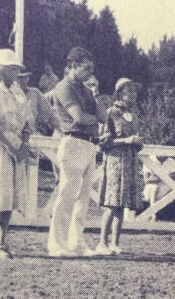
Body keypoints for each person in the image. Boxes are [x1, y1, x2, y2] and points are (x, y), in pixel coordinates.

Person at [47, 47, 107, 257]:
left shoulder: (86, 89)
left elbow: (103, 117)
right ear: (72, 65)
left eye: (92, 68)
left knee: (83, 199)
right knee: (67, 195)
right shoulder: (62, 88)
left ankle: (76, 243)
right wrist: (92, 120)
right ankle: (57, 244)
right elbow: (79, 118)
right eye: (86, 68)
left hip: (89, 145)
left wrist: (96, 95)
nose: (90, 73)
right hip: (73, 143)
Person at [0, 49, 34, 258]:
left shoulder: (19, 93)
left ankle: (3, 241)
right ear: (0, 70)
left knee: (11, 194)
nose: (16, 72)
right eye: (12, 68)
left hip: (17, 146)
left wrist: (23, 146)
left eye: (17, 68)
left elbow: (27, 121)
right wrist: (10, 147)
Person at [96, 78, 145, 255]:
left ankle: (115, 243)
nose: (133, 94)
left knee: (122, 204)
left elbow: (135, 138)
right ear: (120, 93)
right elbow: (103, 142)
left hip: (130, 162)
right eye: (129, 91)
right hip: (115, 162)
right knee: (111, 203)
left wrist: (137, 143)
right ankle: (102, 242)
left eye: (134, 91)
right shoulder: (111, 112)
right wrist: (126, 140)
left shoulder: (134, 115)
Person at [142, 155, 175, 223]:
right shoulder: (149, 159)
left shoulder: (170, 160)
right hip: (150, 188)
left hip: (165, 187)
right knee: (155, 187)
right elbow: (147, 179)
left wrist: (157, 177)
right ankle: (153, 216)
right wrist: (165, 177)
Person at [14, 69, 60, 135]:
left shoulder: (34, 93)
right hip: (14, 133)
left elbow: (50, 113)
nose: (22, 81)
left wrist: (61, 130)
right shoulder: (9, 93)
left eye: (25, 77)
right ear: (14, 79)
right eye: (19, 78)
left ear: (28, 78)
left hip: (32, 133)